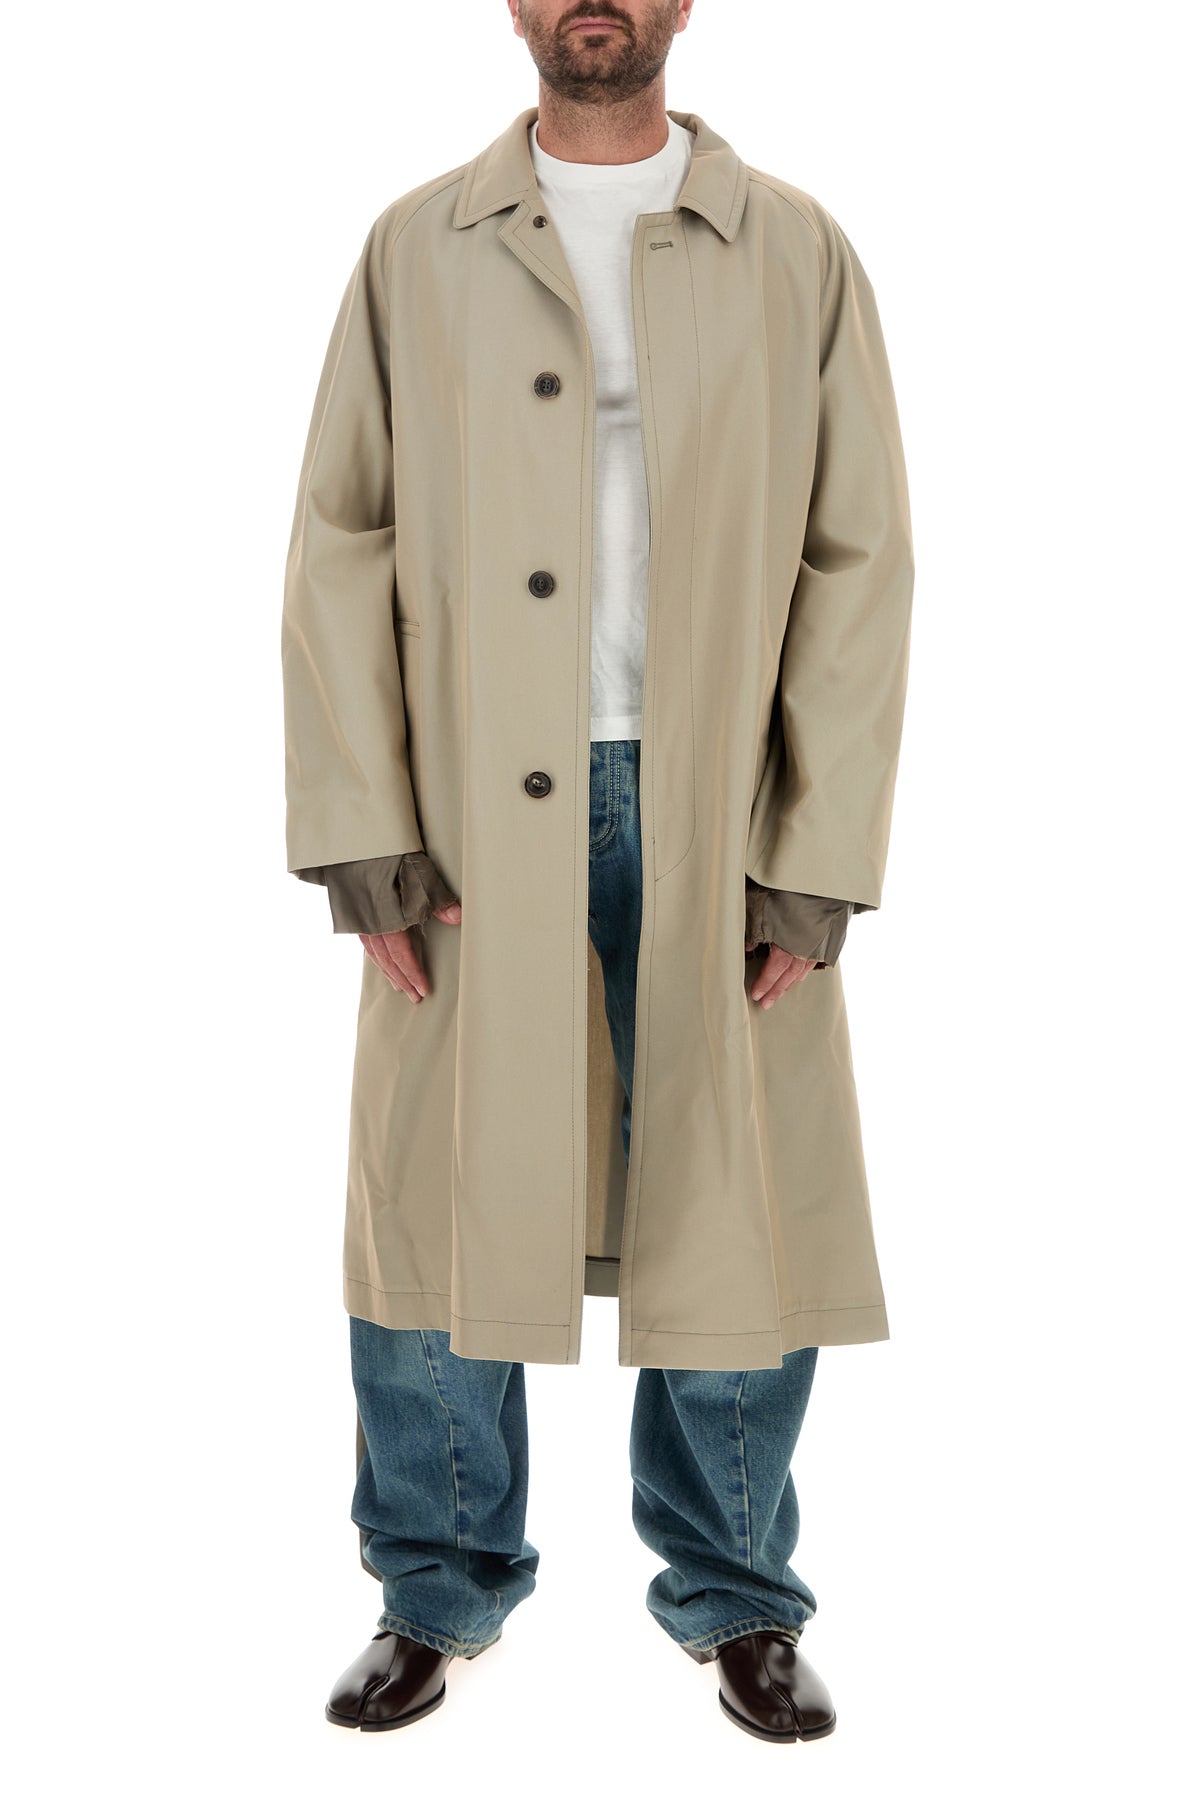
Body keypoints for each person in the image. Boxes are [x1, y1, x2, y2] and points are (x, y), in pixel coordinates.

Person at [281, 0, 914, 1745]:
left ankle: (737, 1594)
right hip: (470, 819)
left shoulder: (794, 249)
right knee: (442, 1193)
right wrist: (362, 820)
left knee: (731, 1190)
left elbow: (860, 557)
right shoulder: (418, 246)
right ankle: (436, 1585)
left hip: (716, 805)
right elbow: (339, 536)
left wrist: (819, 849)